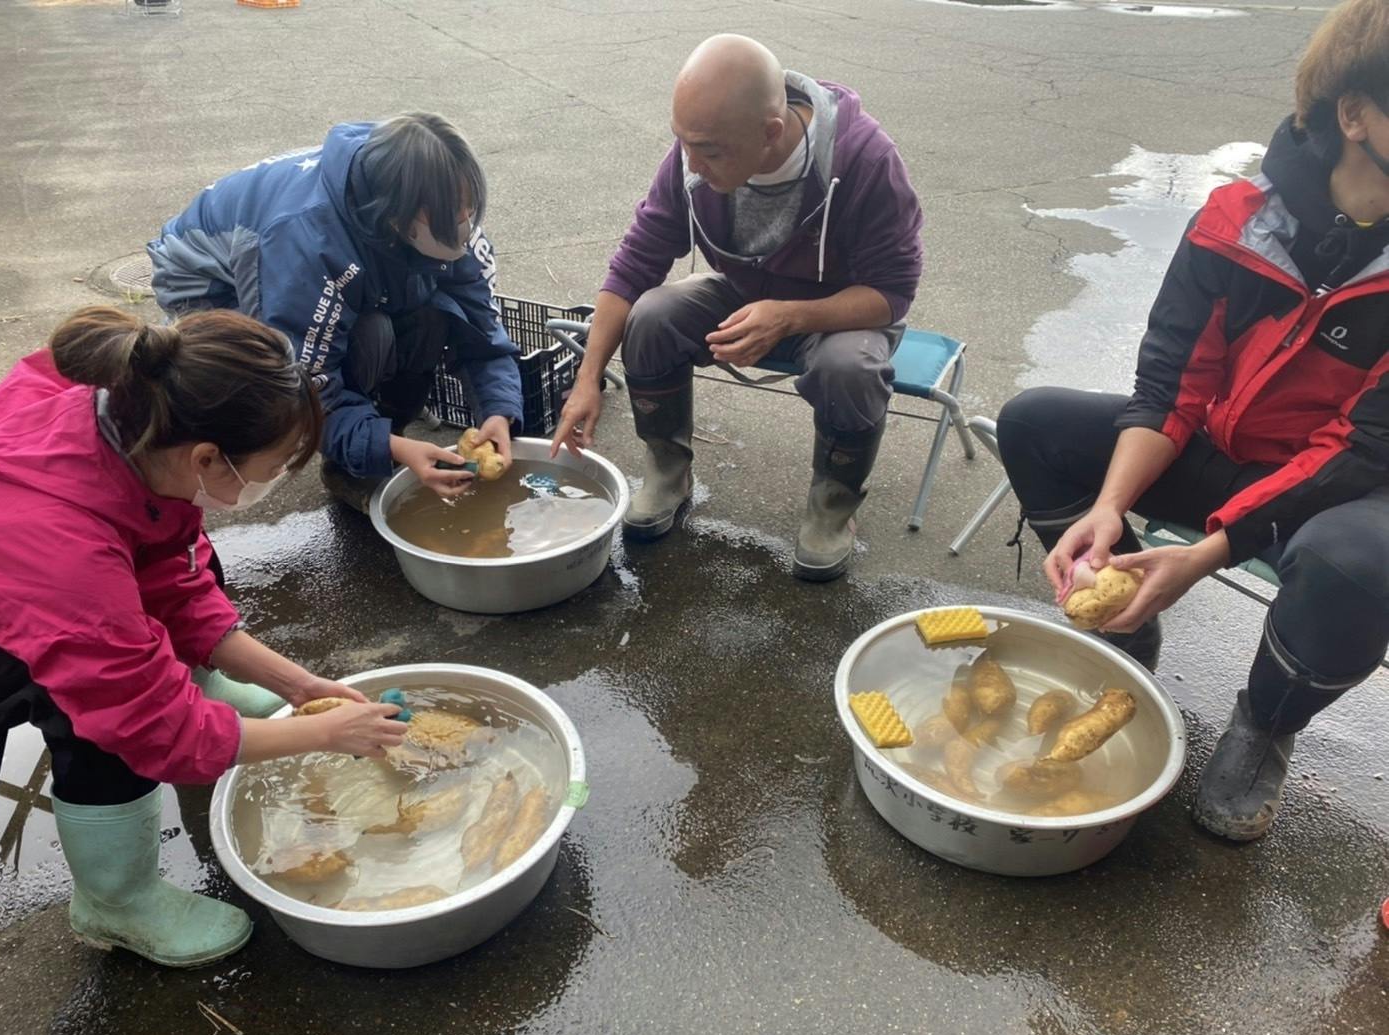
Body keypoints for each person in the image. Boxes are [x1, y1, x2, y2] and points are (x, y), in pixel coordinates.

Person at [996, 0, 1389, 843]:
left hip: (1346, 493)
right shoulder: (1236, 222)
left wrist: (1206, 554)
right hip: (1224, 449)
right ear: (1355, 115)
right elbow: (1173, 385)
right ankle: (1126, 626)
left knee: (1355, 566)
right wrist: (1110, 508)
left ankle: (1265, 725)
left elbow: (1359, 452)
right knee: (1033, 424)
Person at [0, 307, 412, 967]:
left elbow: (169, 575)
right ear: (206, 457)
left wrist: (298, 686)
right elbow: (147, 726)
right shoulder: (60, 546)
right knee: (74, 688)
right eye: (269, 471)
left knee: (145, 612)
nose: (270, 485)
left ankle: (204, 696)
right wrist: (324, 734)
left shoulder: (125, 412)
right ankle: (116, 901)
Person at [549, 34, 924, 581]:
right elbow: (634, 264)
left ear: (770, 132)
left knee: (851, 368)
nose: (691, 164)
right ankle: (667, 470)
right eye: (683, 142)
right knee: (650, 316)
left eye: (708, 151)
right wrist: (588, 379)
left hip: (842, 312)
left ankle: (832, 505)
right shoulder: (695, 154)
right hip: (744, 292)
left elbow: (893, 292)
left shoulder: (865, 160)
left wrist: (791, 315)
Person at [148, 112, 523, 512]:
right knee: (362, 340)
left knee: (433, 313)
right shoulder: (308, 244)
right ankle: (350, 465)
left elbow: (482, 329)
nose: (463, 223)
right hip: (208, 284)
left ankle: (382, 429)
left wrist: (499, 412)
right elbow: (305, 385)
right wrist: (388, 448)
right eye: (451, 215)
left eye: (468, 209)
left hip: (334, 250)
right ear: (397, 216)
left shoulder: (439, 213)